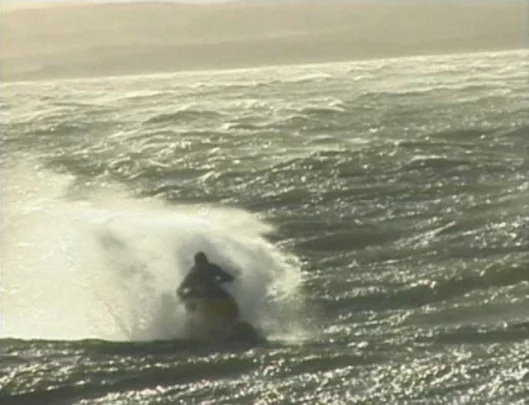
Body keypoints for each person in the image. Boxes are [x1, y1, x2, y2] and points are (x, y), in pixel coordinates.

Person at [177, 252, 240, 335]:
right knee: (189, 301)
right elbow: (229, 278)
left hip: (213, 297)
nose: (203, 266)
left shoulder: (202, 270)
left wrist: (218, 281)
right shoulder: (201, 270)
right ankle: (192, 327)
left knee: (189, 300)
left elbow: (230, 278)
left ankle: (232, 326)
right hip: (208, 298)